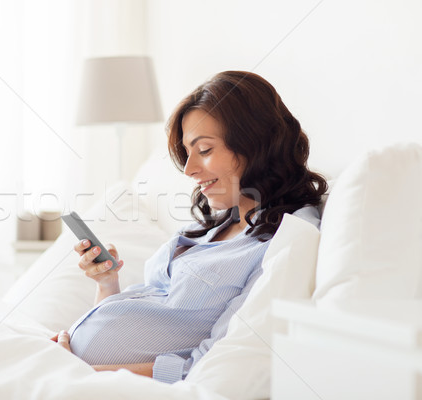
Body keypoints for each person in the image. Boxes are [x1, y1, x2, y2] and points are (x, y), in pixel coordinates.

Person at [51, 71, 327, 383]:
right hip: (72, 365)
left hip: (96, 379)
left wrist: (79, 371)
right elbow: (151, 321)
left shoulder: (285, 239)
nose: (188, 169)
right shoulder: (213, 226)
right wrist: (107, 284)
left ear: (256, 145)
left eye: (204, 150)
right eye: (187, 151)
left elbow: (207, 363)